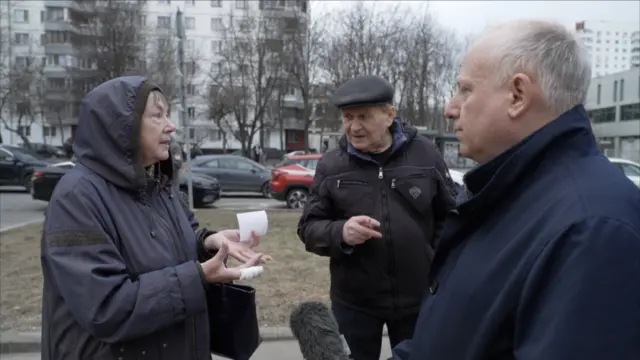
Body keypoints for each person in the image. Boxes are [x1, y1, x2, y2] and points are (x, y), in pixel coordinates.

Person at [391, 20, 640, 360]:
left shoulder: (591, 228)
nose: (450, 108)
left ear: (518, 95)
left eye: (465, 90)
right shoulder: (502, 193)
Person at [40, 76, 270, 360]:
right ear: (122, 127)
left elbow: (174, 239)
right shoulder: (76, 197)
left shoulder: (157, 184)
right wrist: (199, 277)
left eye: (168, 114)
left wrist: (208, 241)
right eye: (157, 116)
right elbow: (106, 308)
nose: (171, 126)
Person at [298, 75, 457, 360]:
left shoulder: (425, 154)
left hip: (419, 300)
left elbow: (450, 216)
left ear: (389, 115)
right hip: (354, 304)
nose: (354, 127)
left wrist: (433, 259)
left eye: (364, 117)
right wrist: (341, 233)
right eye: (348, 117)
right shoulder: (332, 165)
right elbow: (309, 228)